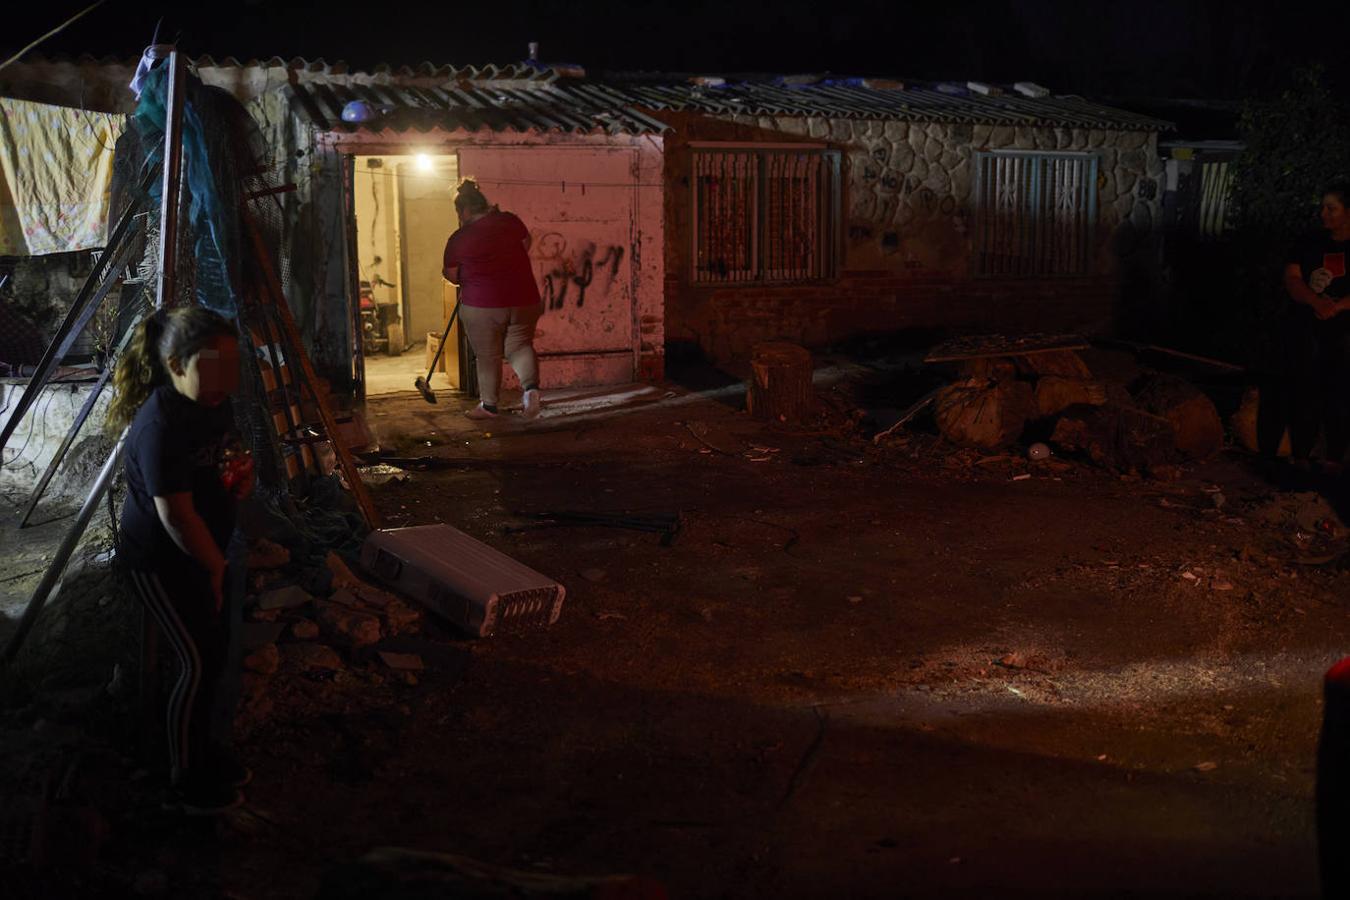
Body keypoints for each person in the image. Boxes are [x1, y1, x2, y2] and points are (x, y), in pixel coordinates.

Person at [107, 305, 253, 814]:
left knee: (216, 656)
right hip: (161, 560)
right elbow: (176, 517)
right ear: (174, 365)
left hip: (206, 547)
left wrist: (238, 474)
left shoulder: (214, 401)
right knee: (198, 662)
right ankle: (184, 775)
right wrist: (214, 567)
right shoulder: (159, 425)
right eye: (211, 369)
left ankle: (206, 750)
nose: (223, 383)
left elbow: (225, 454)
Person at [1265, 183, 1350, 471]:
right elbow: (1292, 278)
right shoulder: (1308, 241)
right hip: (1308, 329)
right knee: (1304, 390)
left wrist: (1337, 306)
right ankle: (1300, 454)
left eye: (1331, 208)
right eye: (1323, 207)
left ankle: (1334, 457)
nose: (1323, 213)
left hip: (1344, 332)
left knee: (1339, 393)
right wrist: (1316, 302)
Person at [442, 179, 543, 420]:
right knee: (519, 345)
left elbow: (452, 275)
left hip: (483, 304)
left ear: (464, 210)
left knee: (488, 355)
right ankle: (530, 391)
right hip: (524, 298)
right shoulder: (510, 221)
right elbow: (525, 244)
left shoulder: (459, 238)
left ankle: (488, 406)